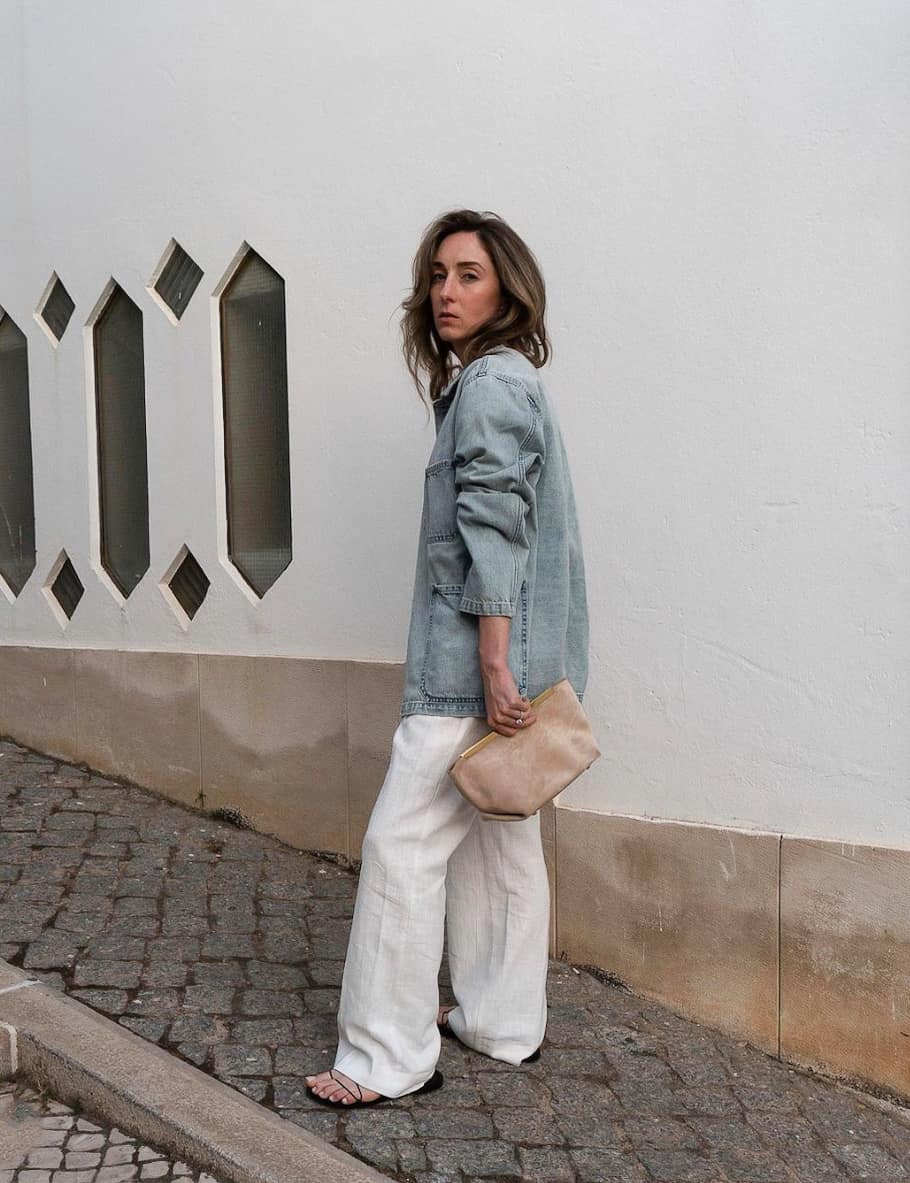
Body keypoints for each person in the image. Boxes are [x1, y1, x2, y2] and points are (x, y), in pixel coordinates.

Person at [305, 209, 589, 1107]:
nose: (446, 293)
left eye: (468, 274)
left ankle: (387, 1056)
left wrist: (494, 665)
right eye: (437, 276)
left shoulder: (492, 388)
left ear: (507, 287)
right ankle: (505, 1025)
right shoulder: (505, 383)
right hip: (517, 659)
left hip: (474, 664)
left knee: (402, 846)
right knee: (497, 838)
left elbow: (495, 529)